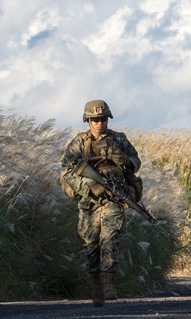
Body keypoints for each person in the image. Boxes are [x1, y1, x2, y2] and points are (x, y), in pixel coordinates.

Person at [60, 99, 141, 307]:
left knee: (110, 238)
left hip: (113, 198)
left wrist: (123, 159)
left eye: (103, 119)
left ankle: (108, 285)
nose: (99, 123)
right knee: (91, 243)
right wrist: (88, 186)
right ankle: (96, 286)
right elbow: (66, 172)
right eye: (95, 119)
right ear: (88, 120)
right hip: (89, 200)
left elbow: (135, 162)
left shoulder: (119, 139)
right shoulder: (80, 143)